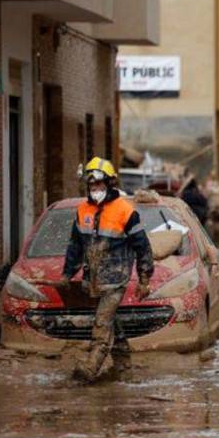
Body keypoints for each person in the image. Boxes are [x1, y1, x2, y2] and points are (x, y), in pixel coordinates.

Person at [59, 157, 154, 382]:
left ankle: (90, 368)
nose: (95, 189)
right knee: (112, 321)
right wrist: (66, 274)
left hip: (116, 279)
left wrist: (144, 279)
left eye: (99, 185)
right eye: (92, 186)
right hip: (93, 279)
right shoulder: (82, 211)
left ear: (109, 184)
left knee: (101, 322)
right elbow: (75, 246)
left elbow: (143, 246)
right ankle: (123, 366)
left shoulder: (125, 211)